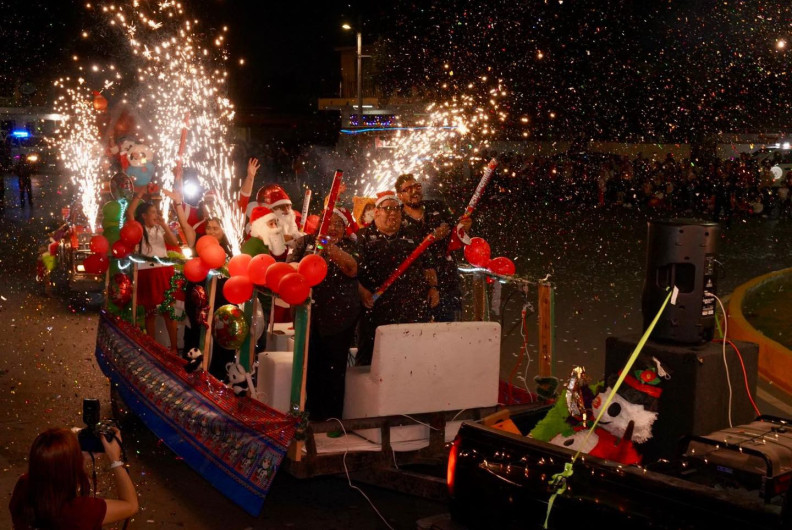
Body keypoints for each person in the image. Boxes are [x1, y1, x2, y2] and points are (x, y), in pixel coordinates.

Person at [288, 207, 359, 420]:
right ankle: (308, 417)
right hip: (309, 317)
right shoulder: (304, 243)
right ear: (320, 224)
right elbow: (289, 269)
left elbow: (352, 267)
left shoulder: (351, 246)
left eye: (339, 224)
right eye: (330, 223)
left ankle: (332, 420)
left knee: (334, 372)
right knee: (309, 369)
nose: (334, 228)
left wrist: (326, 245)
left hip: (340, 320)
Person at [355, 191, 439, 366]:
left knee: (410, 356)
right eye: (387, 209)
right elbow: (352, 271)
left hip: (410, 306)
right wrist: (361, 291)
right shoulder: (362, 237)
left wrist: (433, 288)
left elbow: (428, 264)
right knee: (371, 356)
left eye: (396, 209)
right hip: (375, 307)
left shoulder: (413, 234)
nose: (393, 213)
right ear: (376, 212)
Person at [9, 427, 138, 529]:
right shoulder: (80, 512)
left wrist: (76, 459)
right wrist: (115, 459)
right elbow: (131, 505)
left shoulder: (23, 485)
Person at [395, 173, 471, 322]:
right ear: (400, 195)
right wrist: (431, 238)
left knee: (449, 332)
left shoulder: (438, 206)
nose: (414, 191)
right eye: (408, 189)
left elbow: (456, 235)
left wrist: (464, 228)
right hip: (416, 287)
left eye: (417, 186)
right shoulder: (396, 216)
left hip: (447, 281)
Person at [128, 193, 181, 353]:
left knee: (168, 310)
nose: (156, 215)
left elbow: (175, 243)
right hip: (147, 271)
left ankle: (174, 348)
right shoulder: (139, 228)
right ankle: (152, 347)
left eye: (156, 212)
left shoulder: (160, 228)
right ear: (143, 215)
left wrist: (164, 225)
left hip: (163, 270)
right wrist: (139, 195)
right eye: (152, 212)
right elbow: (130, 213)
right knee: (150, 311)